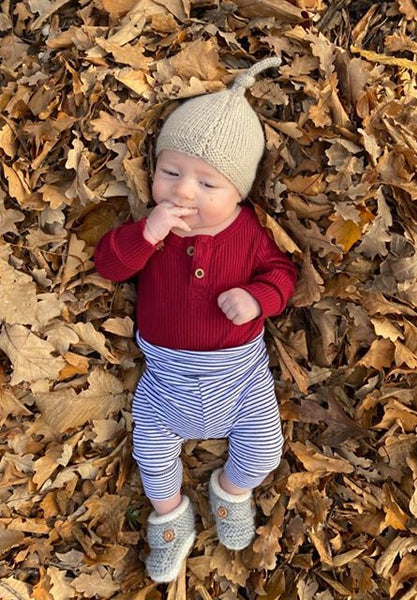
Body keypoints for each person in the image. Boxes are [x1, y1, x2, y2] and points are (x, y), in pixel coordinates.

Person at [94, 56, 297, 583]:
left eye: (208, 185)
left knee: (264, 449)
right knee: (151, 450)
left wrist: (258, 298)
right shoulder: (153, 231)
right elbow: (110, 266)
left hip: (239, 378)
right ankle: (171, 517)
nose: (183, 193)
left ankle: (230, 491)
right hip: (165, 380)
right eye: (171, 173)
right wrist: (146, 234)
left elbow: (282, 273)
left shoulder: (247, 232)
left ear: (239, 192)